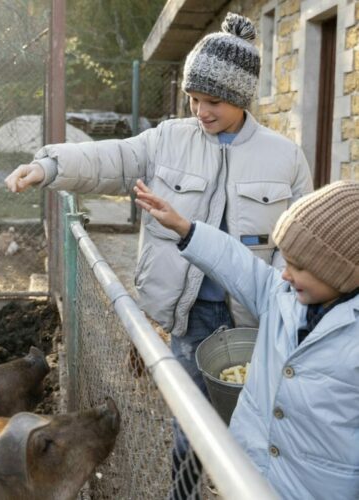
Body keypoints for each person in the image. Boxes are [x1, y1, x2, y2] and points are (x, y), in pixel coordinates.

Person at [5, 12, 313, 498]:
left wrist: (286, 306)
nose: (200, 110)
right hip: (190, 315)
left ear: (241, 98)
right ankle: (184, 494)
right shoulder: (170, 138)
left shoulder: (285, 157)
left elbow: (298, 239)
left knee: (259, 428)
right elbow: (111, 158)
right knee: (188, 429)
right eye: (194, 98)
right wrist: (48, 166)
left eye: (212, 101)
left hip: (255, 318)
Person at [134, 179, 359, 499]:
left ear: (339, 272)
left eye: (298, 266)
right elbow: (236, 263)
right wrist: (185, 228)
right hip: (248, 477)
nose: (284, 273)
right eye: (285, 261)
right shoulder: (280, 297)